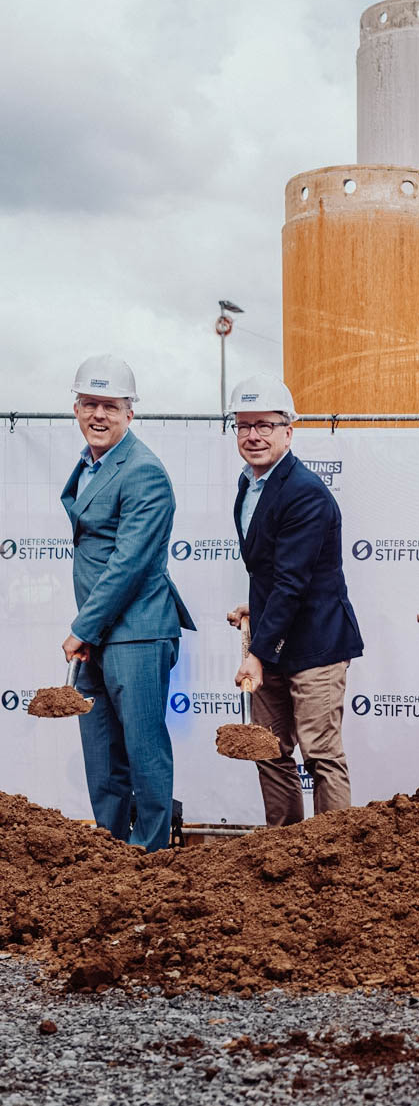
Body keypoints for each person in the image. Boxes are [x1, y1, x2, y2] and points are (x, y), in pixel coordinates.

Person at [60, 354, 195, 852]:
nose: (98, 415)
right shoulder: (91, 464)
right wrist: (88, 632)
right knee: (101, 753)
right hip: (98, 635)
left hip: (136, 631)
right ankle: (110, 849)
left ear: (129, 413)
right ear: (76, 408)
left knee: (144, 751)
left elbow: (130, 563)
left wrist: (82, 628)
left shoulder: (143, 472)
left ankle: (151, 853)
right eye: (90, 403)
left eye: (110, 406)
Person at [226, 376, 363, 825]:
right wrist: (256, 611)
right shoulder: (249, 488)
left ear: (289, 430)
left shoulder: (304, 491)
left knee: (320, 753)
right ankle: (284, 850)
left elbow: (292, 583)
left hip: (316, 644)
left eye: (265, 423)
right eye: (244, 425)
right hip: (275, 637)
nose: (254, 435)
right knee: (270, 750)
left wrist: (258, 653)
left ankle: (332, 853)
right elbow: (268, 572)